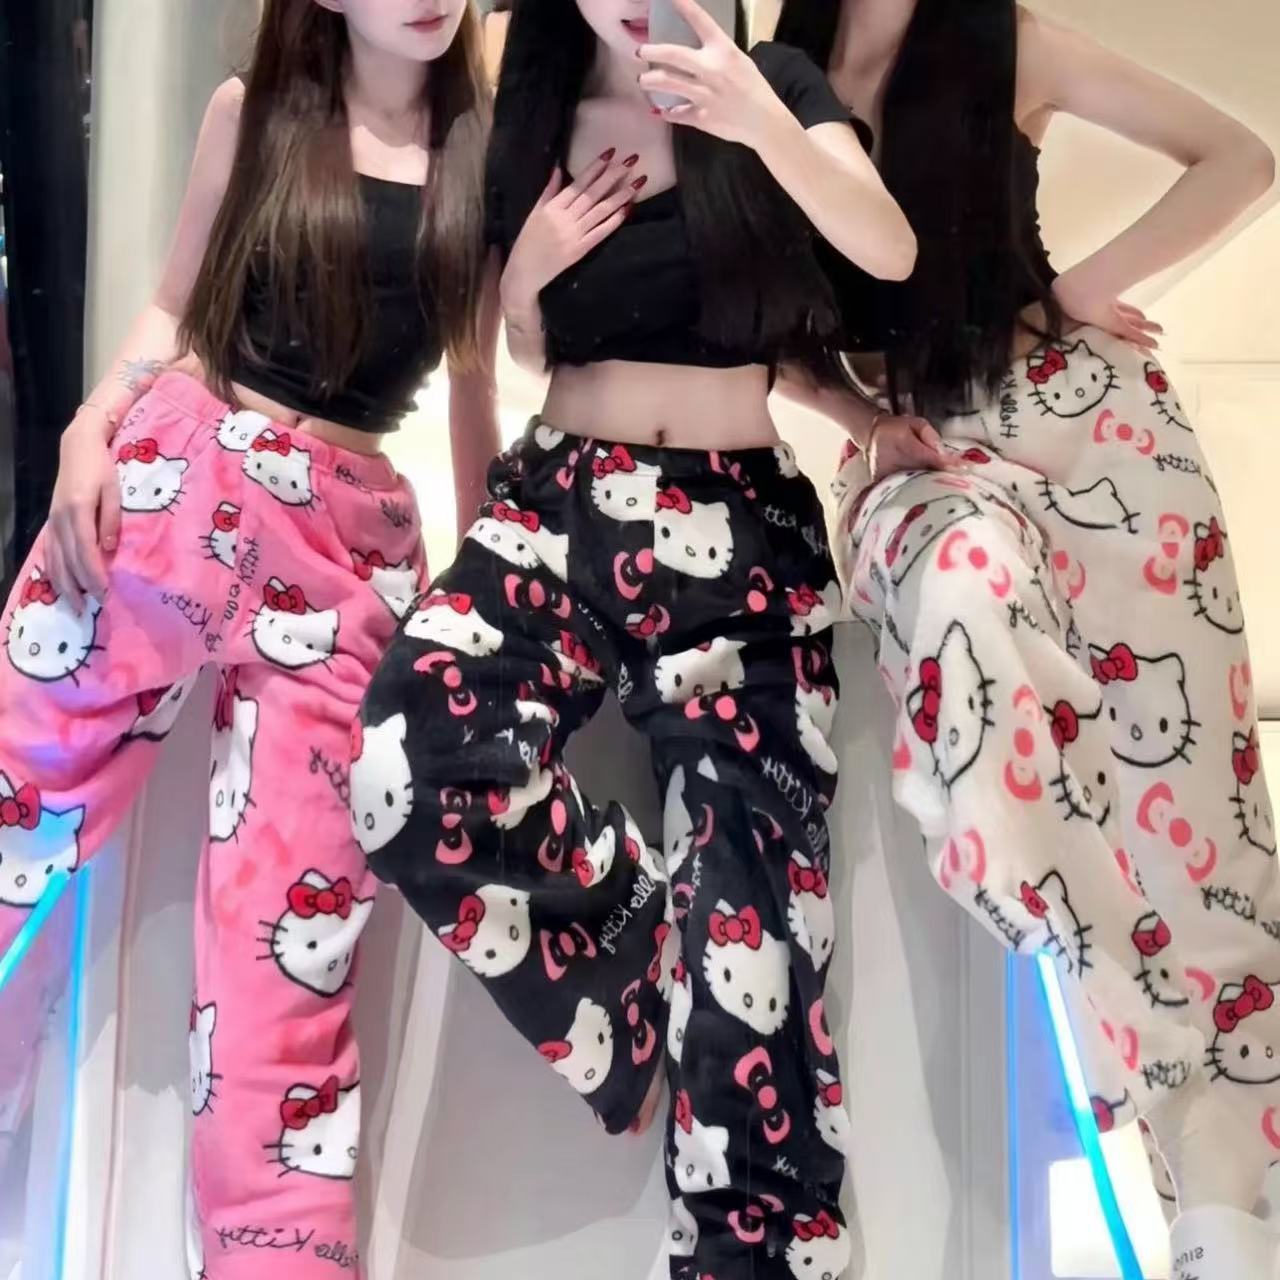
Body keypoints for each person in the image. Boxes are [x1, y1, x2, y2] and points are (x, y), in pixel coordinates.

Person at [352, 0, 914, 1274]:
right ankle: (639, 953)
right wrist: (526, 278)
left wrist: (755, 118)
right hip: (562, 497)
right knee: (406, 759)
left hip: (742, 529)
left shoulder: (773, 85)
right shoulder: (536, 113)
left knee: (755, 972)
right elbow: (518, 344)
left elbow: (883, 249)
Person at [772, 1, 1278, 1275]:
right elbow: (748, 321)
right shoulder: (777, 77)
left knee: (1207, 841)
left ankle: (1227, 1210)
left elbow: (1238, 157)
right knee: (966, 611)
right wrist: (849, 412)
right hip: (919, 450)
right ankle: (1148, 1058)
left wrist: (1078, 289)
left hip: (1095, 427)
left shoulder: (1006, 38)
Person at [0, 1, 497, 1274]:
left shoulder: (480, 155)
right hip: (181, 484)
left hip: (347, 553)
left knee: (291, 970)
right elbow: (175, 307)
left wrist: (484, 597)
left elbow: (473, 397)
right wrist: (87, 428)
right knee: (12, 793)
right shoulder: (253, 114)